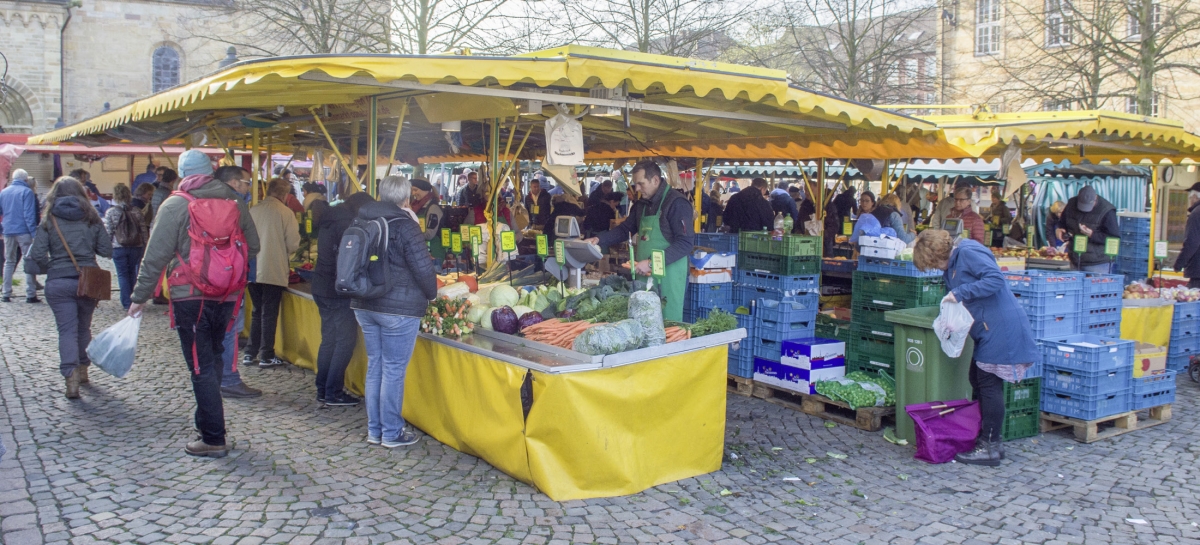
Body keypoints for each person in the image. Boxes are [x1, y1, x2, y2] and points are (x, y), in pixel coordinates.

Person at [128, 149, 261, 458]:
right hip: (227, 294)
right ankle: (205, 425)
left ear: (183, 172)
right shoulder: (235, 202)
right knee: (212, 359)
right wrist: (223, 264)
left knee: (199, 365)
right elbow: (252, 246)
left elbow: (155, 255)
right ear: (211, 171)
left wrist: (139, 297)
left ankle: (213, 438)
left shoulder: (176, 204)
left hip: (190, 296)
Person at [913, 229, 1039, 466]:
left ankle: (989, 445)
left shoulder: (968, 253)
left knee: (988, 384)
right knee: (978, 380)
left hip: (1000, 326)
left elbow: (995, 279)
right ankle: (991, 440)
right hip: (987, 328)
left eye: (931, 264)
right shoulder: (955, 262)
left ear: (936, 255)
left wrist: (960, 292)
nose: (934, 269)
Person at [354, 175, 438, 447]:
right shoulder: (406, 224)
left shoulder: (363, 218)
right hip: (398, 309)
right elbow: (423, 268)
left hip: (365, 303)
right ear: (406, 198)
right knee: (392, 369)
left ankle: (375, 430)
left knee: (375, 365)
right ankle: (391, 433)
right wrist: (432, 294)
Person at [26, 176, 112, 399]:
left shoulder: (49, 219)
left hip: (58, 282)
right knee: (83, 328)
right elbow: (106, 250)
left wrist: (54, 266)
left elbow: (36, 255)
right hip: (88, 281)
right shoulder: (92, 218)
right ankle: (83, 370)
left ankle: (70, 379)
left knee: (66, 330)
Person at [587, 160, 694, 321]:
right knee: (644, 322)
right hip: (643, 275)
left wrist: (650, 263)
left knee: (668, 325)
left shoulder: (676, 203)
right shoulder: (641, 205)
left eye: (640, 184)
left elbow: (685, 243)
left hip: (670, 278)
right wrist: (599, 238)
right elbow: (625, 230)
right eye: (635, 184)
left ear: (656, 180)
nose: (636, 188)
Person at [314, 191, 375, 406]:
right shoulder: (348, 224)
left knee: (329, 338)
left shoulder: (330, 217)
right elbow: (350, 261)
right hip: (338, 291)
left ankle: (322, 388)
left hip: (321, 285)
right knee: (344, 341)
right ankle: (333, 392)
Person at [211, 167, 264, 399]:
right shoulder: (236, 203)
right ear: (234, 182)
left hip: (200, 278)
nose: (248, 187)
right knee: (230, 328)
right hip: (231, 277)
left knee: (207, 330)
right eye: (246, 183)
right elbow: (253, 244)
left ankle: (211, 376)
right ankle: (229, 379)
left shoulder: (191, 200)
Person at [245, 178, 301, 369]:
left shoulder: (253, 210)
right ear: (285, 195)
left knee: (256, 311)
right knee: (269, 313)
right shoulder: (285, 213)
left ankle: (250, 352)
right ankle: (266, 354)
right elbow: (293, 243)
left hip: (252, 269)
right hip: (273, 267)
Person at [103, 184, 148, 309]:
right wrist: (145, 245)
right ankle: (134, 299)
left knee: (122, 274)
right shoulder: (137, 211)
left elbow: (109, 232)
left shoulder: (111, 212)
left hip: (119, 247)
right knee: (133, 273)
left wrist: (107, 249)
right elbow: (143, 231)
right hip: (136, 246)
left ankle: (126, 302)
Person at [1055, 185, 1119, 273]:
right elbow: (1062, 222)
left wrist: (1092, 235)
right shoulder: (1071, 204)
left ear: (1095, 199)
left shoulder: (1107, 211)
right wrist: (1059, 229)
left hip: (1097, 264)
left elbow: (1114, 238)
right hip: (1075, 260)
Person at [0, 169, 40, 303]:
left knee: (9, 262)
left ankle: (5, 292)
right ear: (26, 179)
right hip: (23, 231)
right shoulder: (27, 192)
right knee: (28, 261)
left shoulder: (4, 192)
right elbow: (29, 215)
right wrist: (34, 233)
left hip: (8, 230)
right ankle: (30, 293)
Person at [410, 179, 445, 268]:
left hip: (434, 251)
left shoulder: (433, 208)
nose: (413, 193)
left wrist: (410, 235)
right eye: (412, 190)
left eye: (415, 190)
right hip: (422, 250)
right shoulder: (416, 206)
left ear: (424, 189)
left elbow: (429, 234)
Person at [1173, 183, 1200, 288]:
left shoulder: (1196, 214)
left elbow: (1192, 242)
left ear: (1195, 197)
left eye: (1190, 197)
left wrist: (1179, 263)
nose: (1189, 200)